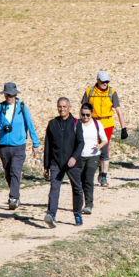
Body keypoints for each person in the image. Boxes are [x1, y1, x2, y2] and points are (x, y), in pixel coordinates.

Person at [0, 81, 40, 211]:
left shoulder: (22, 107)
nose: (9, 97)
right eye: (7, 95)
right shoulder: (0, 107)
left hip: (18, 146)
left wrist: (35, 143)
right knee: (8, 173)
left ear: (15, 94)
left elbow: (30, 125)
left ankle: (13, 198)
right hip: (3, 146)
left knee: (15, 170)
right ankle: (15, 193)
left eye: (12, 95)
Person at [41, 97, 84, 228]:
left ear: (69, 108)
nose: (62, 109)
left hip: (72, 163)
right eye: (60, 106)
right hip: (56, 162)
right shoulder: (52, 124)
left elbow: (81, 143)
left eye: (65, 106)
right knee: (54, 188)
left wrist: (74, 157)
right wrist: (46, 166)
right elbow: (47, 145)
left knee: (77, 188)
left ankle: (77, 213)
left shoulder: (76, 123)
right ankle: (51, 215)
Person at [80, 71, 125, 188]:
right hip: (93, 123)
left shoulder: (112, 93)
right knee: (92, 148)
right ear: (97, 80)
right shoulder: (89, 92)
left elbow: (118, 110)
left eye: (107, 81)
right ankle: (91, 172)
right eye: (103, 81)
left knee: (104, 149)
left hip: (107, 124)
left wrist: (123, 128)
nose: (105, 84)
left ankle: (103, 175)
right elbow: (84, 108)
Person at [75, 102, 107, 216]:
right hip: (80, 156)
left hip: (93, 156)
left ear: (92, 113)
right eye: (83, 114)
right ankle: (79, 203)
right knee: (79, 181)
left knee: (88, 179)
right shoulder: (76, 124)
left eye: (88, 115)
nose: (85, 117)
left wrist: (99, 146)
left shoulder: (97, 124)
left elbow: (104, 140)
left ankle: (88, 204)